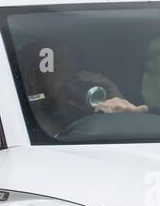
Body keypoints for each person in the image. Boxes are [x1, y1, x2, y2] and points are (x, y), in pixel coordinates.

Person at [17, 41, 148, 137]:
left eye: (73, 66)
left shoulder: (89, 118)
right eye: (56, 66)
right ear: (31, 81)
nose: (69, 73)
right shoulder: (18, 130)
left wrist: (121, 112)